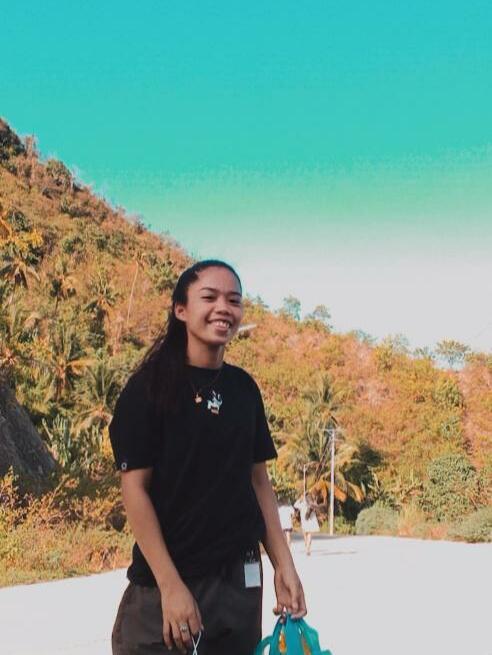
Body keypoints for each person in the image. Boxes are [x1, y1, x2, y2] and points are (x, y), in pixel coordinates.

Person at [109, 260, 307, 654]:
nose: (224, 308)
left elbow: (258, 482)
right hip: (164, 587)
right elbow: (135, 491)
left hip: (238, 588)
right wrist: (170, 585)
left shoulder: (244, 390)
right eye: (210, 297)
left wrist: (283, 564)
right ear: (181, 309)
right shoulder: (148, 389)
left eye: (234, 300)